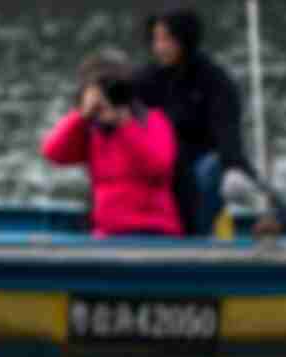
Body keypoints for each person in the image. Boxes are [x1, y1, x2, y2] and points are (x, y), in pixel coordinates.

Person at [41, 50, 183, 239]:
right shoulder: (91, 130)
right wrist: (81, 116)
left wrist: (124, 125)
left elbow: (159, 166)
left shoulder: (153, 121)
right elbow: (54, 153)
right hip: (108, 233)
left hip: (153, 230)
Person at [135, 10, 250, 236]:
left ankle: (195, 235)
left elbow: (226, 128)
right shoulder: (145, 79)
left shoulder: (215, 80)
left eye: (167, 39)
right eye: (156, 39)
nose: (160, 47)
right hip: (158, 163)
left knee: (209, 172)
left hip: (199, 162)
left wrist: (233, 166)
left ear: (185, 39)